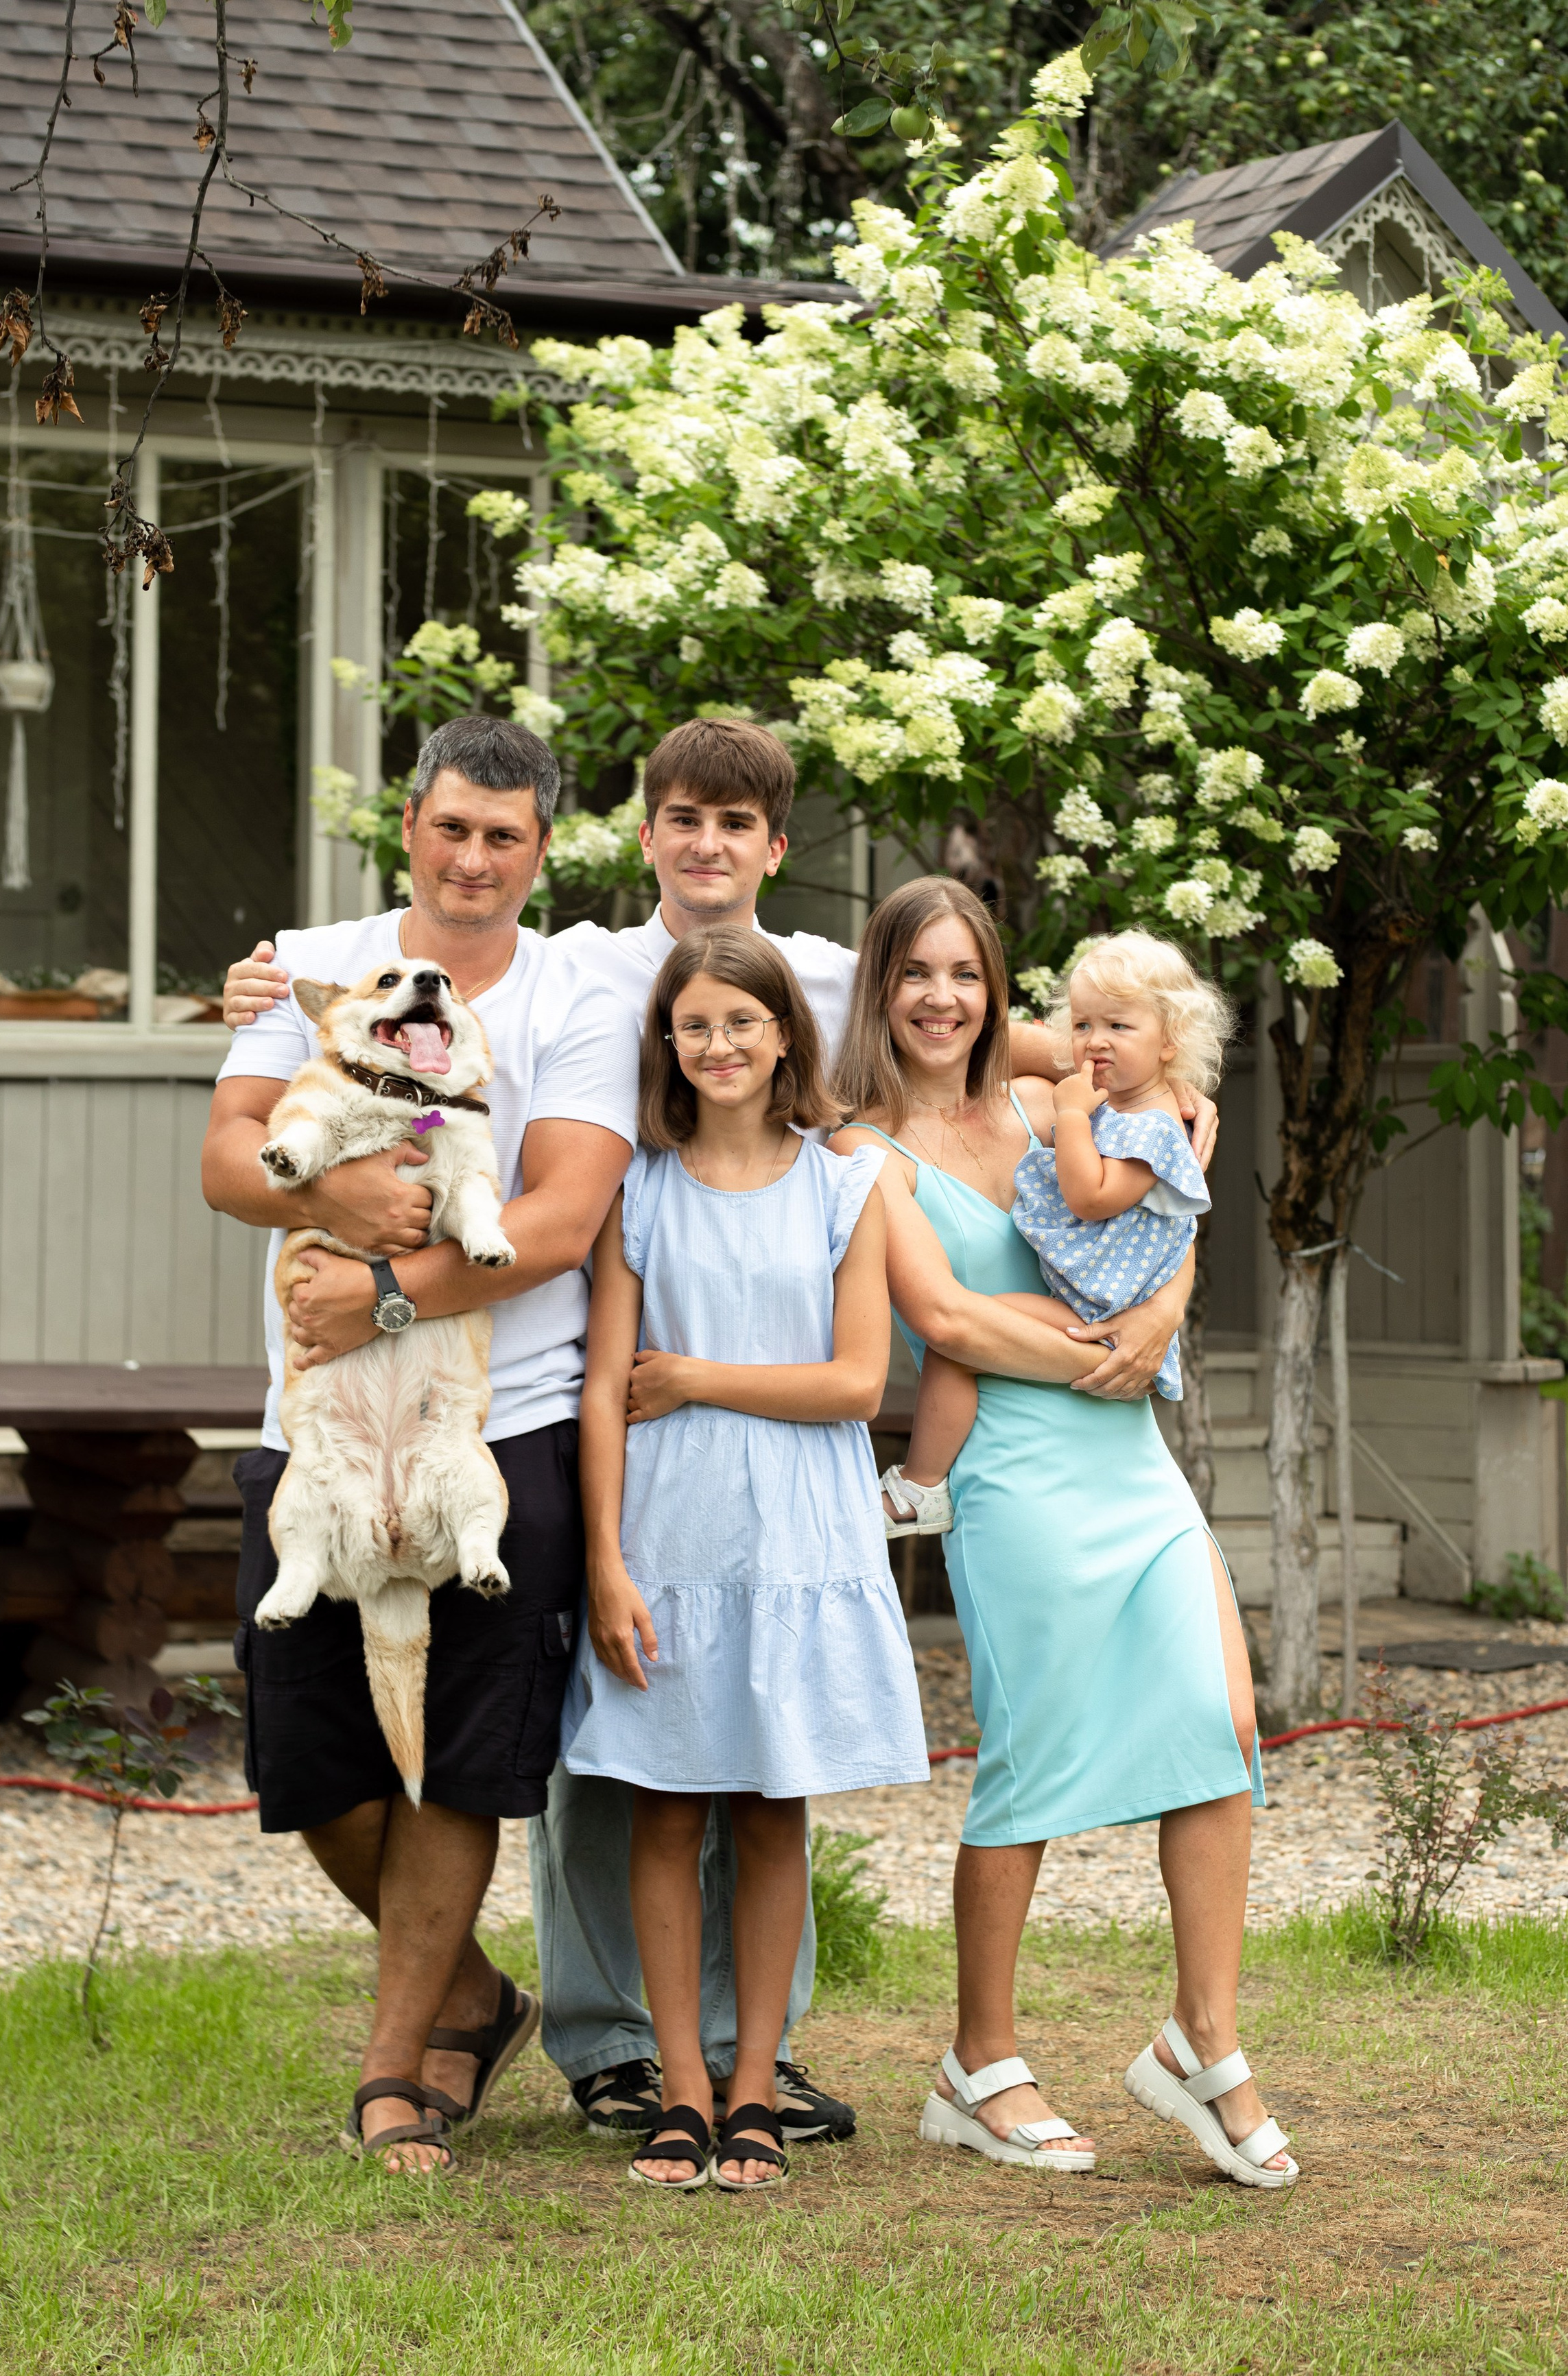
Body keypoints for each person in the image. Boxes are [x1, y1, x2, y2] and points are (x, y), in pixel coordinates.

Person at [220, 715, 1213, 2146]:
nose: (706, 847)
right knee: (604, 1759)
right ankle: (606, 2037)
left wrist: (1163, 1105)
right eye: (681, 820)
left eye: (735, 826)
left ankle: (755, 2054)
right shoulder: (578, 966)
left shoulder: (828, 976)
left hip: (680, 1406)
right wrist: (254, 983)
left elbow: (1001, 1028)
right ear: (639, 838)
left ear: (771, 848)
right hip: (597, 1386)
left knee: (759, 1749)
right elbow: (327, 1027)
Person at [201, 715, 639, 2177]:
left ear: (539, 848)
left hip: (490, 1426)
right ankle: (464, 1992)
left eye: (502, 837)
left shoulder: (573, 991)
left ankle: (400, 2074)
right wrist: (333, 1214)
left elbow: (563, 1217)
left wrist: (387, 1290)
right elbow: (230, 1156)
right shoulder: (313, 962)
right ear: (410, 825)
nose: (472, 859)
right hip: (317, 1426)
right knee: (313, 1759)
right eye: (450, 828)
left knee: (456, 1760)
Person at [831, 877, 1296, 2189]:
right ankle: (980, 2064)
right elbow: (956, 1326)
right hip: (1013, 1471)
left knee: (1225, 1720)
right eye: (915, 974)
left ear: (996, 993)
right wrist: (1118, 1341)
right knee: (1030, 1759)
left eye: (966, 974)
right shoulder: (863, 1151)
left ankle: (1202, 2040)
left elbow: (1170, 1203)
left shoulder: (1054, 1103)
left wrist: (1170, 1308)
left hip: (1128, 1456)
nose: (940, 998)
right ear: (881, 990)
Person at [565, 929, 927, 2192]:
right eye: (694, 1026)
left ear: (786, 1035)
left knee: (774, 1815)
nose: (719, 1045)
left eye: (742, 1022)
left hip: (798, 1535)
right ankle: (677, 2088)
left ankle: (759, 2086)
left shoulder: (845, 1186)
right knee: (662, 1817)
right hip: (669, 1536)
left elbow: (856, 1383)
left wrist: (702, 1377)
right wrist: (605, 1563)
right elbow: (609, 1384)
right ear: (668, 1045)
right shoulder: (640, 1194)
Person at [883, 928, 1223, 1531]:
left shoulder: (1147, 1126)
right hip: (1092, 1315)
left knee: (956, 1347)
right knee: (958, 1339)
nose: (1096, 1043)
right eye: (1085, 1026)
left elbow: (1092, 1199)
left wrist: (1069, 1113)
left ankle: (921, 1484)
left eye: (1119, 1027)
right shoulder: (1124, 1109)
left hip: (1098, 1310)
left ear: (1170, 1041)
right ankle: (924, 1483)